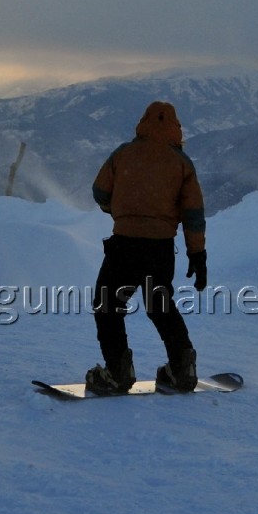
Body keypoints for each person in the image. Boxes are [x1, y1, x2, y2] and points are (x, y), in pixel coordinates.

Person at [86, 100, 207, 394]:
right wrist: (197, 255)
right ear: (176, 129)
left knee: (108, 306)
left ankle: (117, 372)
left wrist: (119, 211)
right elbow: (193, 214)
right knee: (160, 306)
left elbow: (100, 191)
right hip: (160, 249)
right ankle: (182, 370)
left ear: (143, 123)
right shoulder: (181, 163)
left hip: (124, 246)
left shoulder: (123, 154)